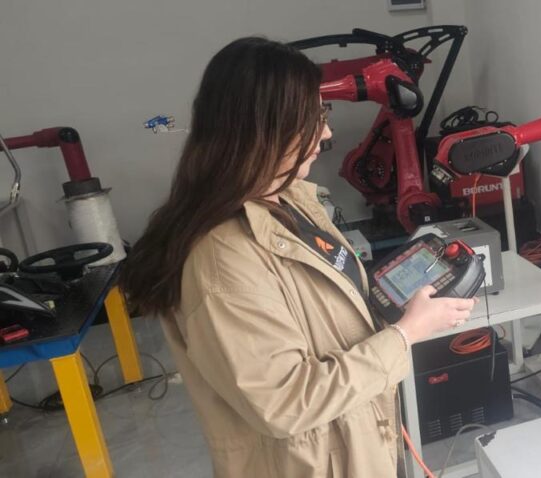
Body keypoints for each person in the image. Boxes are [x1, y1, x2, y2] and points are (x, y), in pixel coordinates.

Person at [120, 37, 475, 477]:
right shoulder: (222, 259)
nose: (326, 133)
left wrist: (395, 313)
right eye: (314, 117)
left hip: (358, 445)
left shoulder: (289, 201)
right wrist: (405, 335)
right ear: (267, 128)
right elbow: (285, 403)